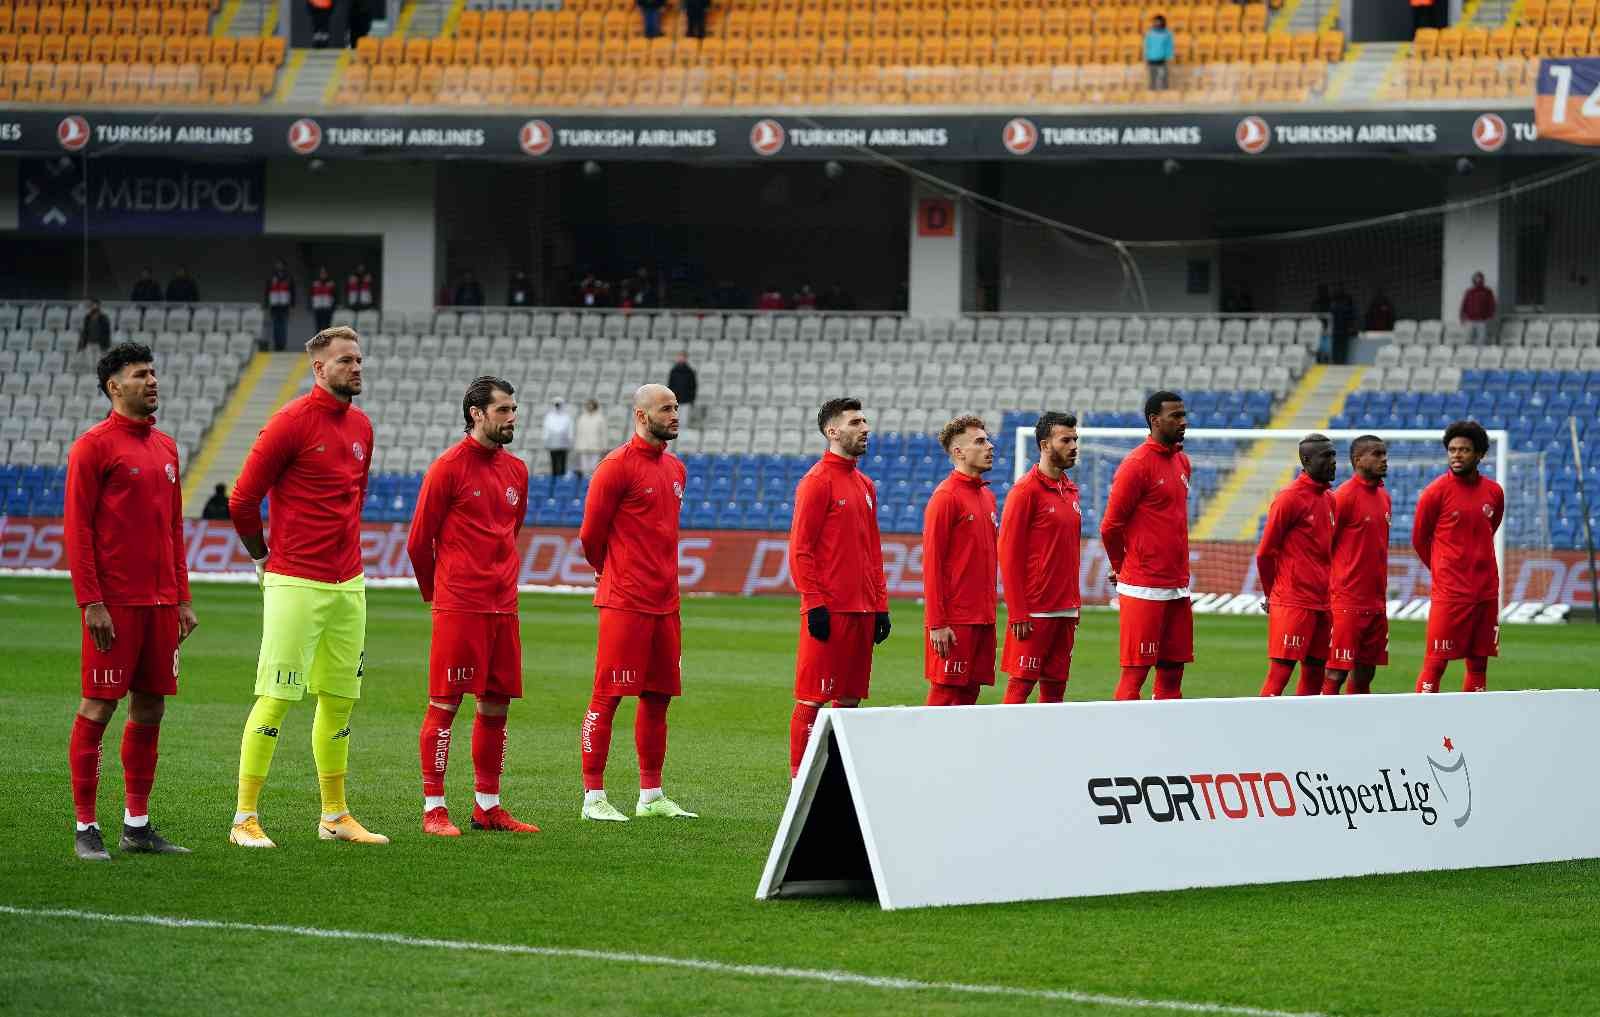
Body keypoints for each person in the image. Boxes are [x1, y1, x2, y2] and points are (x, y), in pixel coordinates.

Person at [226, 326, 384, 848]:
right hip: (295, 580)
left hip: (349, 584)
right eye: (345, 360)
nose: (356, 367)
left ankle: (334, 815)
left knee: (339, 701)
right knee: (276, 698)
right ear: (319, 369)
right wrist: (264, 559)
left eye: (359, 359)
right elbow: (242, 499)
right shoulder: (290, 422)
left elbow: (352, 500)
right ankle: (244, 817)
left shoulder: (362, 425)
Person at [64, 342, 198, 861]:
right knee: (99, 705)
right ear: (114, 387)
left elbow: (174, 529)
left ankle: (136, 826)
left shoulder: (165, 448)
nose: (152, 381)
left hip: (161, 605)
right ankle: (85, 826)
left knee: (150, 707)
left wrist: (182, 597)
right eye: (141, 375)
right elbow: (77, 530)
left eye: (154, 373)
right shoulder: (92, 447)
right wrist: (90, 601)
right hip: (114, 604)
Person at [408, 377, 539, 837]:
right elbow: (418, 541)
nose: (512, 417)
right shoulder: (447, 467)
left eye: (513, 409)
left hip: (503, 605)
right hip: (460, 605)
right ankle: (433, 808)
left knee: (496, 706)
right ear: (476, 413)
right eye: (503, 410)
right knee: (445, 705)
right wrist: (440, 596)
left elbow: (510, 530)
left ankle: (488, 806)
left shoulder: (517, 471)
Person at [577, 383, 697, 821]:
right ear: (642, 416)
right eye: (666, 408)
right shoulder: (615, 467)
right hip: (625, 601)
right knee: (607, 696)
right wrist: (609, 571)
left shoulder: (676, 468)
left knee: (658, 697)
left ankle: (651, 795)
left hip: (666, 602)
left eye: (676, 407)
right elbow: (591, 535)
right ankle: (593, 797)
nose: (675, 415)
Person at [787, 397, 890, 777]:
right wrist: (814, 604)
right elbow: (801, 549)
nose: (865, 428)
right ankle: (799, 781)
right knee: (812, 699)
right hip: (830, 611)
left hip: (863, 611)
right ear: (833, 431)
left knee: (849, 702)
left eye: (865, 421)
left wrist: (881, 605)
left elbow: (872, 551)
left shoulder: (865, 484)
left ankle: (834, 780)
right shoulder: (816, 482)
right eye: (855, 422)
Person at [1100, 391, 1193, 701]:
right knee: (1135, 673)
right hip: (1143, 586)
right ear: (1155, 420)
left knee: (1172, 672)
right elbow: (1110, 526)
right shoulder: (1136, 464)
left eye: (1183, 414)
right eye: (1176, 416)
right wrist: (1121, 567)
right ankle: (1123, 742)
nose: (1184, 421)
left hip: (1178, 585)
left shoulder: (1182, 461)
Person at [1413, 421, 1504, 694]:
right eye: (1452, 449)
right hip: (1450, 594)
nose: (1456, 455)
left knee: (1478, 664)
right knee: (1436, 662)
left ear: (1479, 455)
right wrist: (1443, 569)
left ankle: (1473, 724)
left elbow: (1490, 528)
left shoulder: (1494, 492)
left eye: (1464, 450)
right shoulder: (1435, 492)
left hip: (1486, 592)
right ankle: (1418, 721)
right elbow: (1419, 540)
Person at [998, 411, 1081, 705]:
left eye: (1075, 439)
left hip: (1066, 610)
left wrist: (1075, 603)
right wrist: (1018, 610)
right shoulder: (1025, 491)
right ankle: (1007, 747)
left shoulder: (1070, 490)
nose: (1073, 445)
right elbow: (1007, 553)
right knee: (1020, 687)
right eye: (1065, 440)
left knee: (1056, 690)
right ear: (1045, 445)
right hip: (1035, 611)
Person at [922, 415, 998, 707]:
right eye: (980, 441)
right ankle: (926, 754)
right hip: (955, 620)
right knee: (945, 697)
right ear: (959, 452)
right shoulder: (945, 498)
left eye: (987, 439)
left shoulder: (988, 497)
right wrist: (937, 623)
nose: (989, 446)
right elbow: (932, 565)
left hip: (983, 617)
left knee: (968, 699)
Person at [1256, 435, 1338, 697]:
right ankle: (1257, 731)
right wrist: (1272, 594)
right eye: (1326, 456)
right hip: (1293, 601)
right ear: (1306, 460)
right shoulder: (1289, 498)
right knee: (1280, 673)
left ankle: (1306, 734)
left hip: (1322, 603)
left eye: (1333, 455)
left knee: (1315, 674)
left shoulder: (1330, 500)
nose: (1333, 462)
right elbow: (1265, 553)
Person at [1326, 435, 1390, 694]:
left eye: (1384, 454)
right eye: (1376, 454)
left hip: (1375, 602)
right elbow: (1324, 546)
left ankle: (1358, 728)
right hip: (1346, 601)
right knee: (1335, 671)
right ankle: (1321, 727)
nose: (1383, 459)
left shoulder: (1384, 497)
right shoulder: (1342, 497)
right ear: (1357, 460)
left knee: (1366, 671)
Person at [264, 260, 296, 352]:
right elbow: (267, 291)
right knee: (275, 325)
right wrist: (267, 304)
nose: (279, 266)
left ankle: (282, 345)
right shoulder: (271, 277)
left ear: (284, 266)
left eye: (281, 265)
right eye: (277, 265)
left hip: (284, 305)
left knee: (283, 325)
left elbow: (293, 292)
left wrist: (292, 304)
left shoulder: (289, 277)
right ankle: (277, 345)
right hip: (274, 305)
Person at [574, 399, 610, 478]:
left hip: (595, 447)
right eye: (588, 405)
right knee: (584, 469)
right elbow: (578, 433)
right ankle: (585, 486)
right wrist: (577, 445)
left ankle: (593, 486)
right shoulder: (582, 418)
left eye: (591, 405)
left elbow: (604, 433)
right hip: (583, 446)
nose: (589, 407)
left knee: (594, 468)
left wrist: (604, 447)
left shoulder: (600, 418)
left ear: (595, 406)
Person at [1460, 271, 1496, 344]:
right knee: (1468, 340)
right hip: (1470, 320)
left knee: (1481, 340)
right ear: (1473, 280)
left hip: (1482, 320)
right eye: (1476, 278)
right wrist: (1462, 316)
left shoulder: (1488, 292)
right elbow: (1464, 305)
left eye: (1479, 278)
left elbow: (1492, 305)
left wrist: (1490, 317)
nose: (1478, 280)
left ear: (1482, 279)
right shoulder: (1469, 292)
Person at [542, 397, 574, 476]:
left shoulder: (566, 416)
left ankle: (562, 479)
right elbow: (546, 429)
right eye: (556, 405)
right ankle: (554, 480)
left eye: (559, 404)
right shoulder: (549, 416)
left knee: (563, 462)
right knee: (554, 463)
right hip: (553, 443)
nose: (557, 406)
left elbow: (570, 429)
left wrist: (570, 439)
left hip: (564, 443)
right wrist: (545, 440)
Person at [667, 351, 697, 429]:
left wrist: (691, 399)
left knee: (684, 422)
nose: (681, 359)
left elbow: (693, 387)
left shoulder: (690, 372)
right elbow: (670, 385)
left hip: (686, 401)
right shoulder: (673, 371)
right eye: (679, 357)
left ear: (686, 359)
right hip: (675, 401)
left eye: (682, 357)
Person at [1144, 15, 1174, 90]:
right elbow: (1147, 46)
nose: (1157, 23)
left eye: (1159, 22)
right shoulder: (1149, 33)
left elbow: (1169, 46)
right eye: (1155, 22)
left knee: (1164, 77)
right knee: (1152, 77)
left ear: (1163, 22)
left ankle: (1165, 92)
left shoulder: (1167, 34)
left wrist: (1169, 57)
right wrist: (1146, 58)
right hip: (1152, 58)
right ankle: (1151, 92)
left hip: (1163, 59)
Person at [309, 266, 338, 332]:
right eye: (321, 273)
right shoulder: (315, 283)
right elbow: (311, 294)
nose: (323, 275)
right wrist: (310, 304)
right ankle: (319, 341)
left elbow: (335, 295)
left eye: (324, 273)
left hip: (328, 307)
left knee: (328, 326)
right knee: (318, 326)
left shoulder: (331, 283)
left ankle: (327, 341)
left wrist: (334, 305)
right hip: (318, 307)